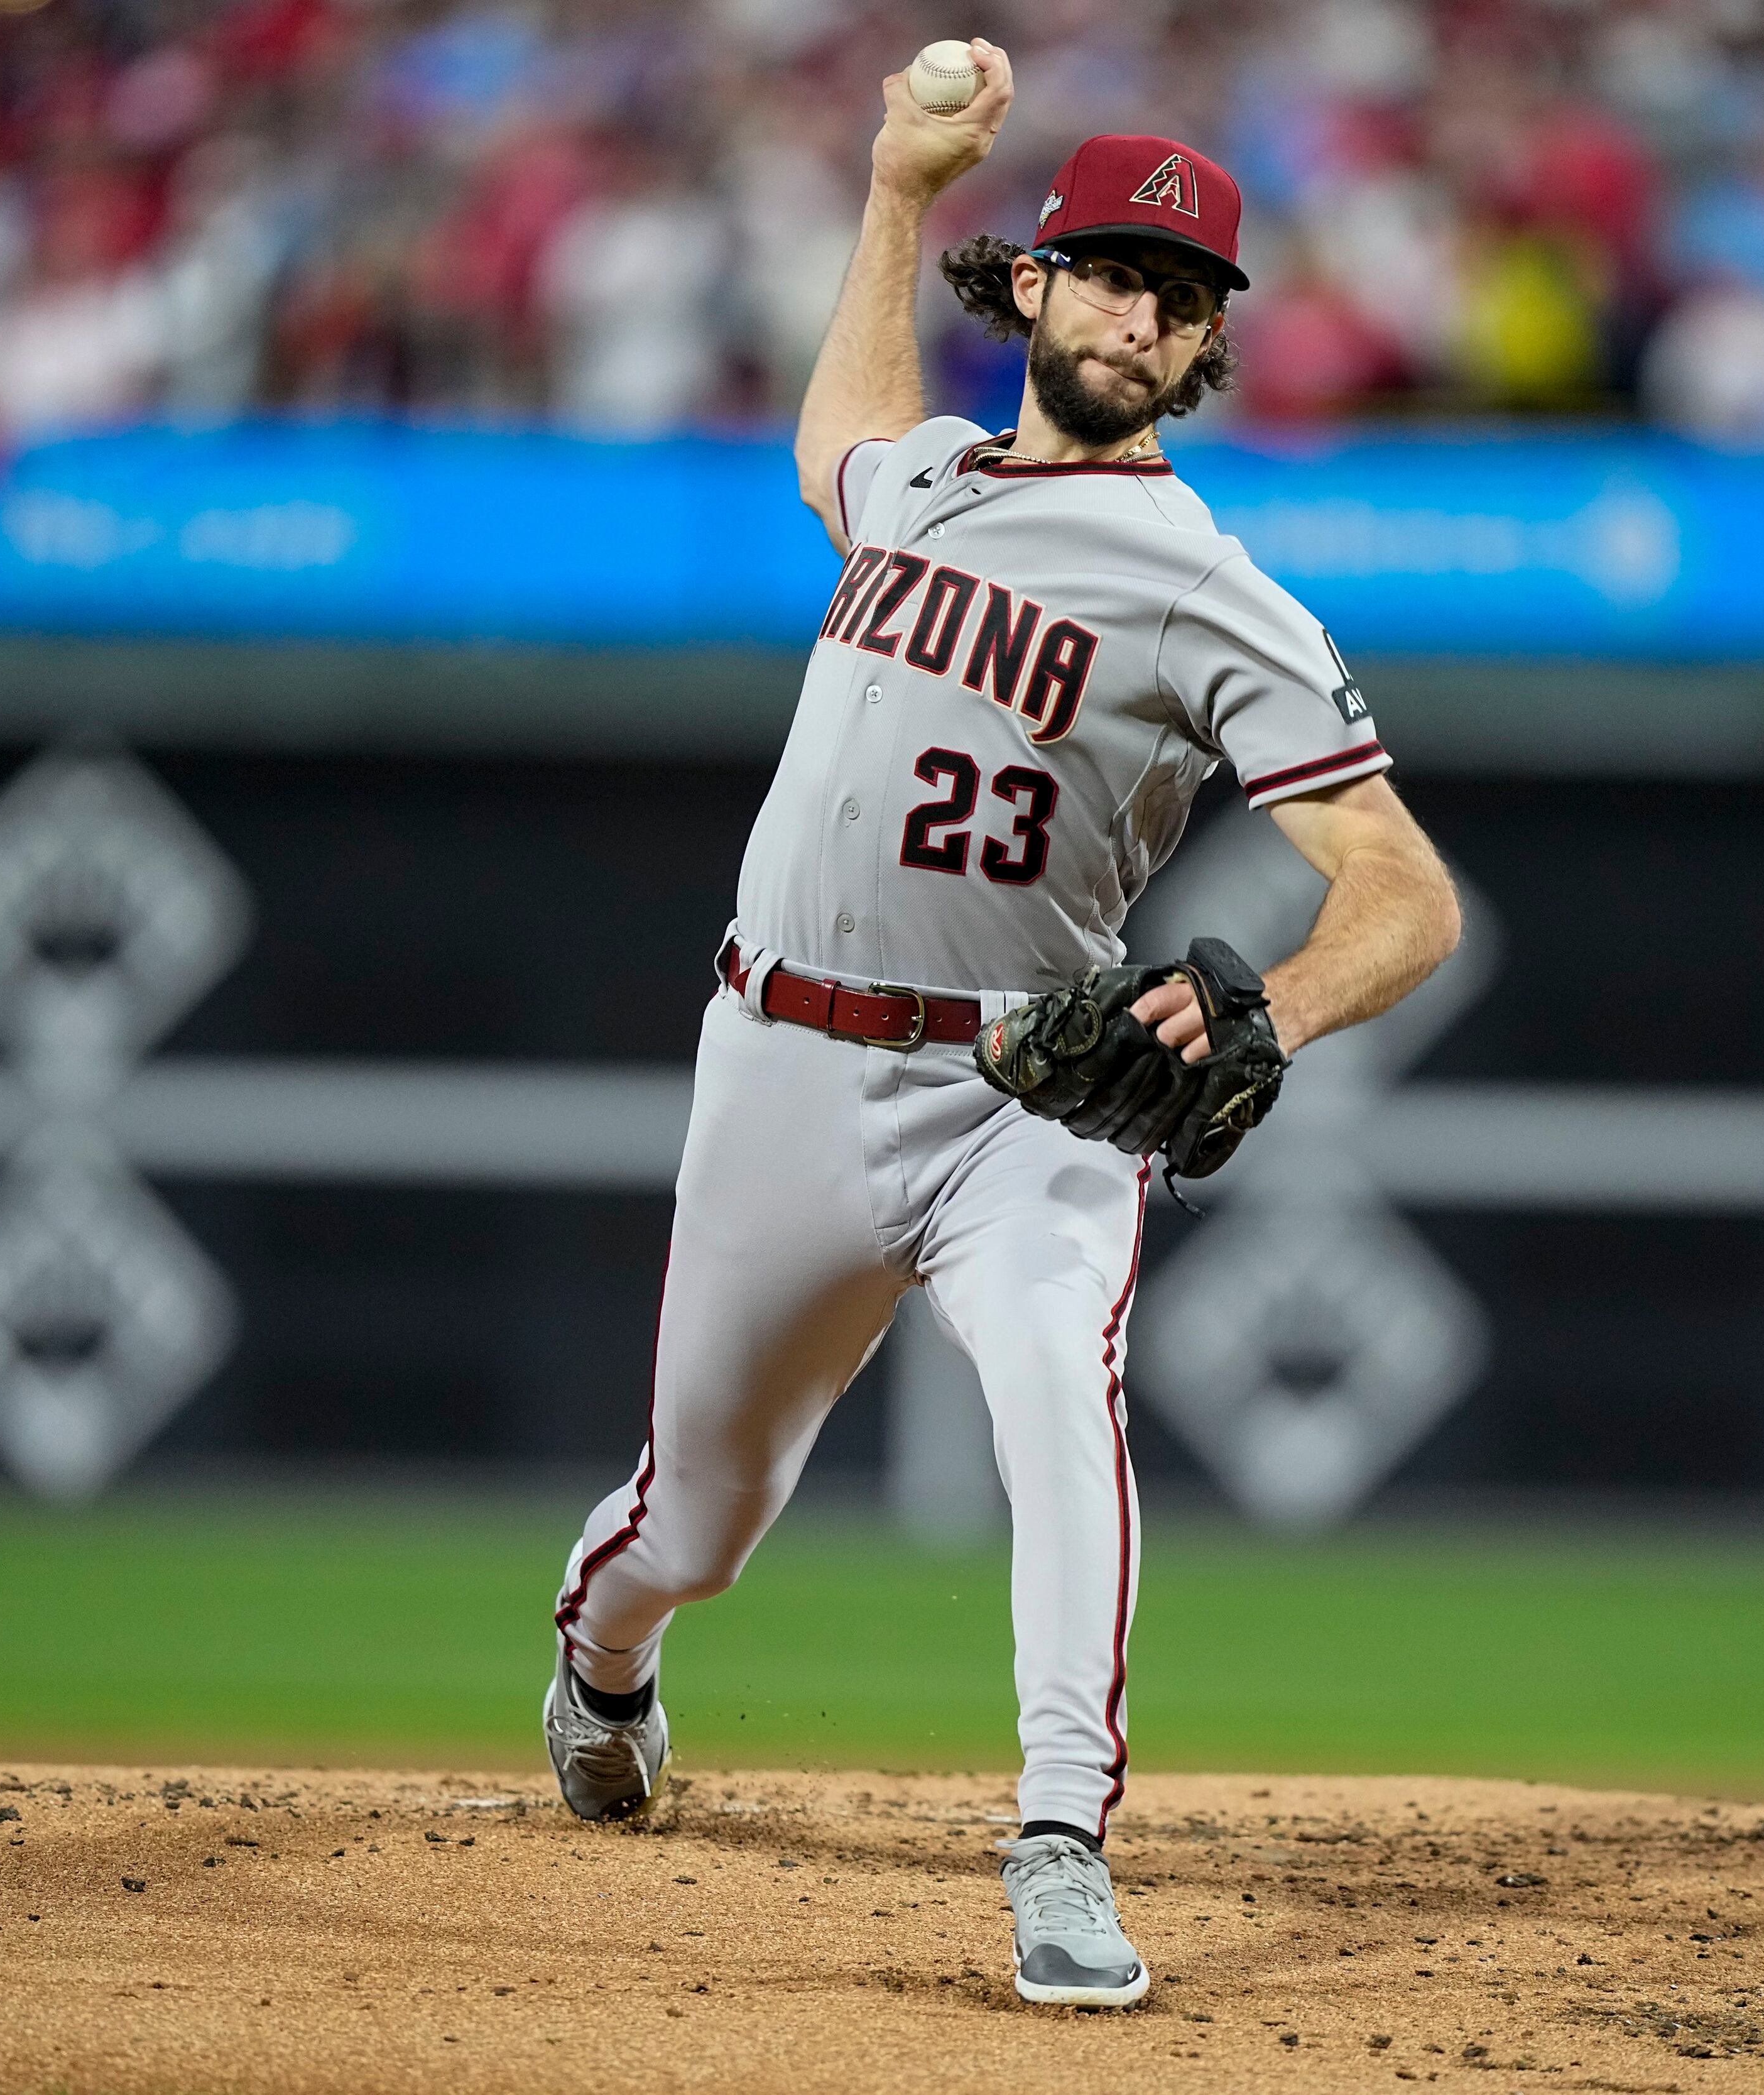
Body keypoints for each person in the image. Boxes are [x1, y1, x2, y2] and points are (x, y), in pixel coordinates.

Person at [538, 42, 1462, 2010]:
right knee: (702, 1516)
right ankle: (605, 1665)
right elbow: (836, 445)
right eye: (1117, 267)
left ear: (1209, 344)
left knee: (1061, 1389)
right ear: (1030, 283)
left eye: (1188, 292)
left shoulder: (1214, 589)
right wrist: (892, 191)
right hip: (780, 1056)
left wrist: (1265, 1015)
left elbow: (1406, 893)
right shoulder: (931, 482)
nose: (1149, 307)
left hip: (1021, 1085)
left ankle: (1061, 1839)